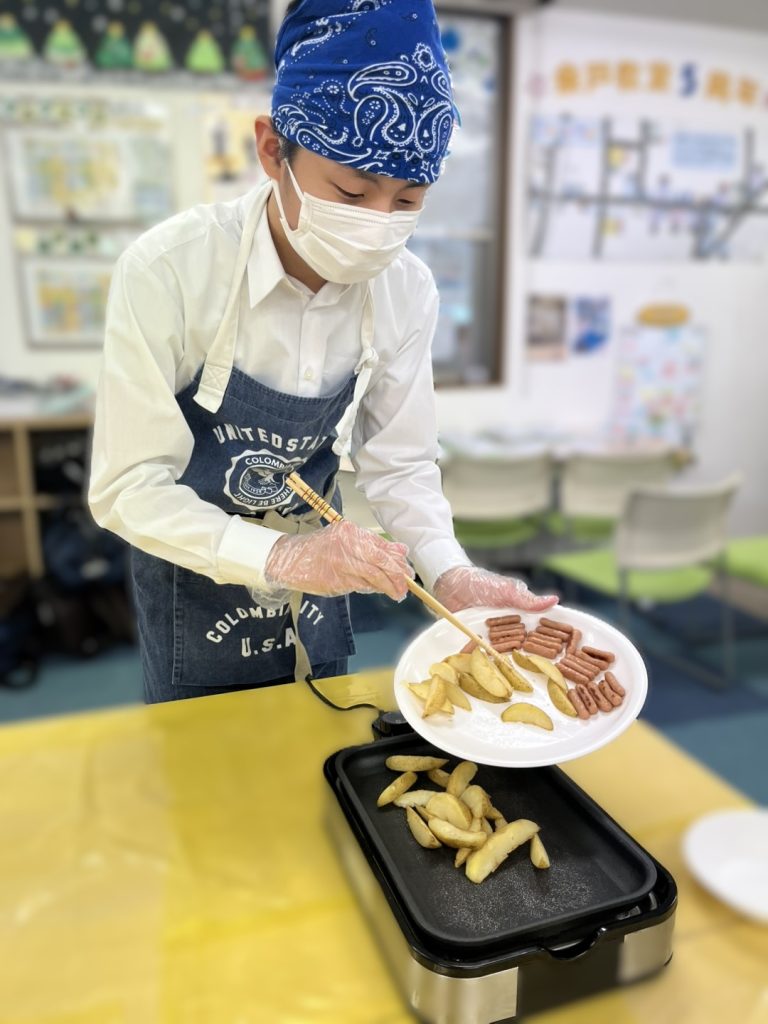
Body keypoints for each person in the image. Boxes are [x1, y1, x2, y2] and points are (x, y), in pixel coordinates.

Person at [88, 0, 557, 704]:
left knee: (322, 746)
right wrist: (281, 554)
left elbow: (400, 463)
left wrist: (449, 570)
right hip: (193, 581)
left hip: (321, 583)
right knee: (200, 764)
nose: (377, 225)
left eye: (408, 201)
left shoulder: (406, 290)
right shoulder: (170, 271)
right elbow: (128, 485)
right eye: (351, 191)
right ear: (271, 150)